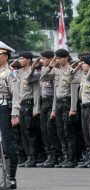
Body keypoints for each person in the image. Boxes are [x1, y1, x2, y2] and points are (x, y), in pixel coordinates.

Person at [41, 49, 78, 168]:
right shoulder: (57, 71)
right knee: (60, 131)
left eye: (60, 58)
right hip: (58, 104)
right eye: (56, 58)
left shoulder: (72, 71)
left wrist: (73, 108)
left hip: (67, 103)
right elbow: (44, 77)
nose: (57, 60)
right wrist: (50, 67)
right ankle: (65, 156)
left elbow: (73, 92)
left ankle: (72, 158)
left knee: (68, 131)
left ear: (66, 58)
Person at [0, 41, 20, 189]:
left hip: (5, 109)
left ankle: (10, 178)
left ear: (5, 57)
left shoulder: (10, 73)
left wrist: (14, 114)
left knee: (8, 145)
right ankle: (2, 178)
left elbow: (16, 95)